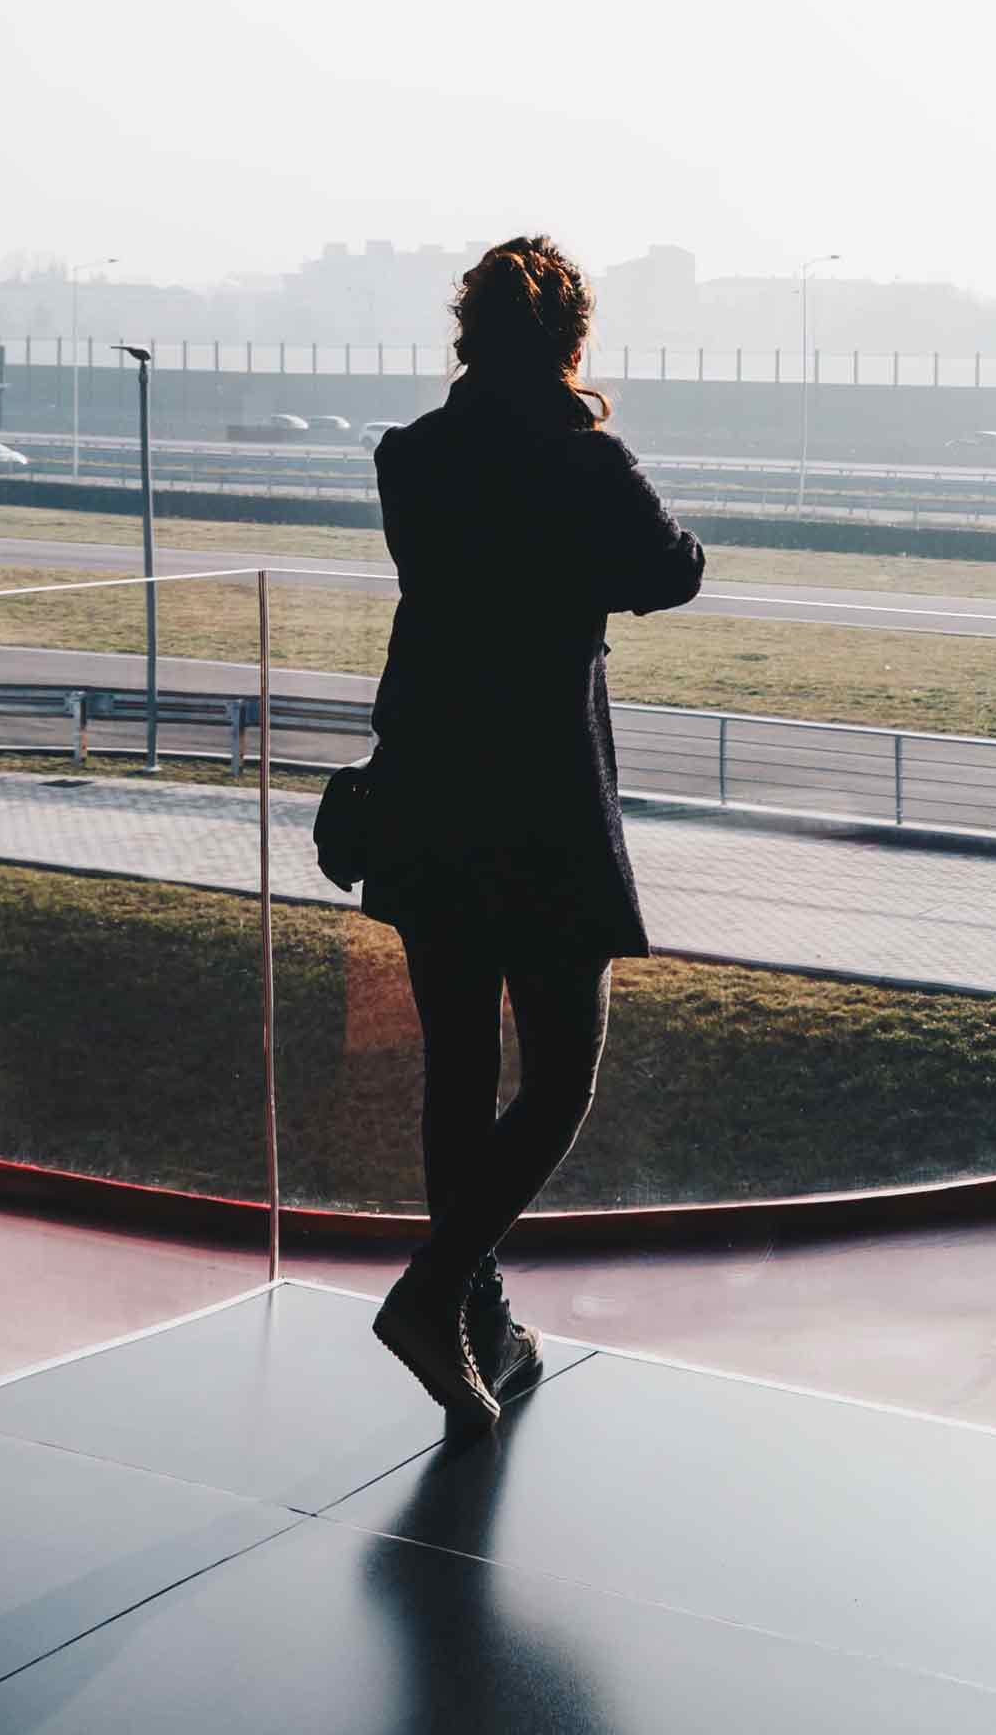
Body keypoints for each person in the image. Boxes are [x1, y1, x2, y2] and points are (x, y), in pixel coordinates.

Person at [359, 236, 705, 1429]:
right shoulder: (582, 462)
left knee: (459, 1072)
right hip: (544, 806)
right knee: (562, 1072)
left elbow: (458, 577)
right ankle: (437, 1294)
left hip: (431, 788)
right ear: (568, 341)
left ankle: (477, 1324)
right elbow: (674, 571)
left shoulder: (410, 460)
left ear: (468, 338)